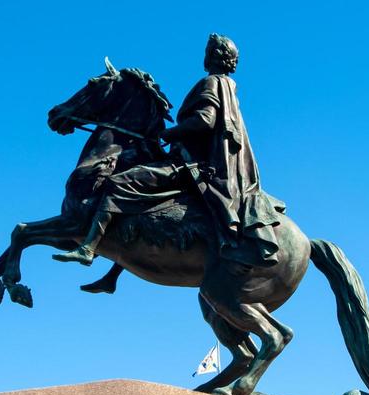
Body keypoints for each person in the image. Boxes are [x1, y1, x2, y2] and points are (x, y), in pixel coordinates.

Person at [54, 33, 280, 266]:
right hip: (202, 163)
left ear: (212, 56)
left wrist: (169, 133)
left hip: (191, 165)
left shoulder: (210, 83)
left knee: (119, 183)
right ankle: (112, 273)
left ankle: (88, 248)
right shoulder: (228, 87)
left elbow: (206, 120)